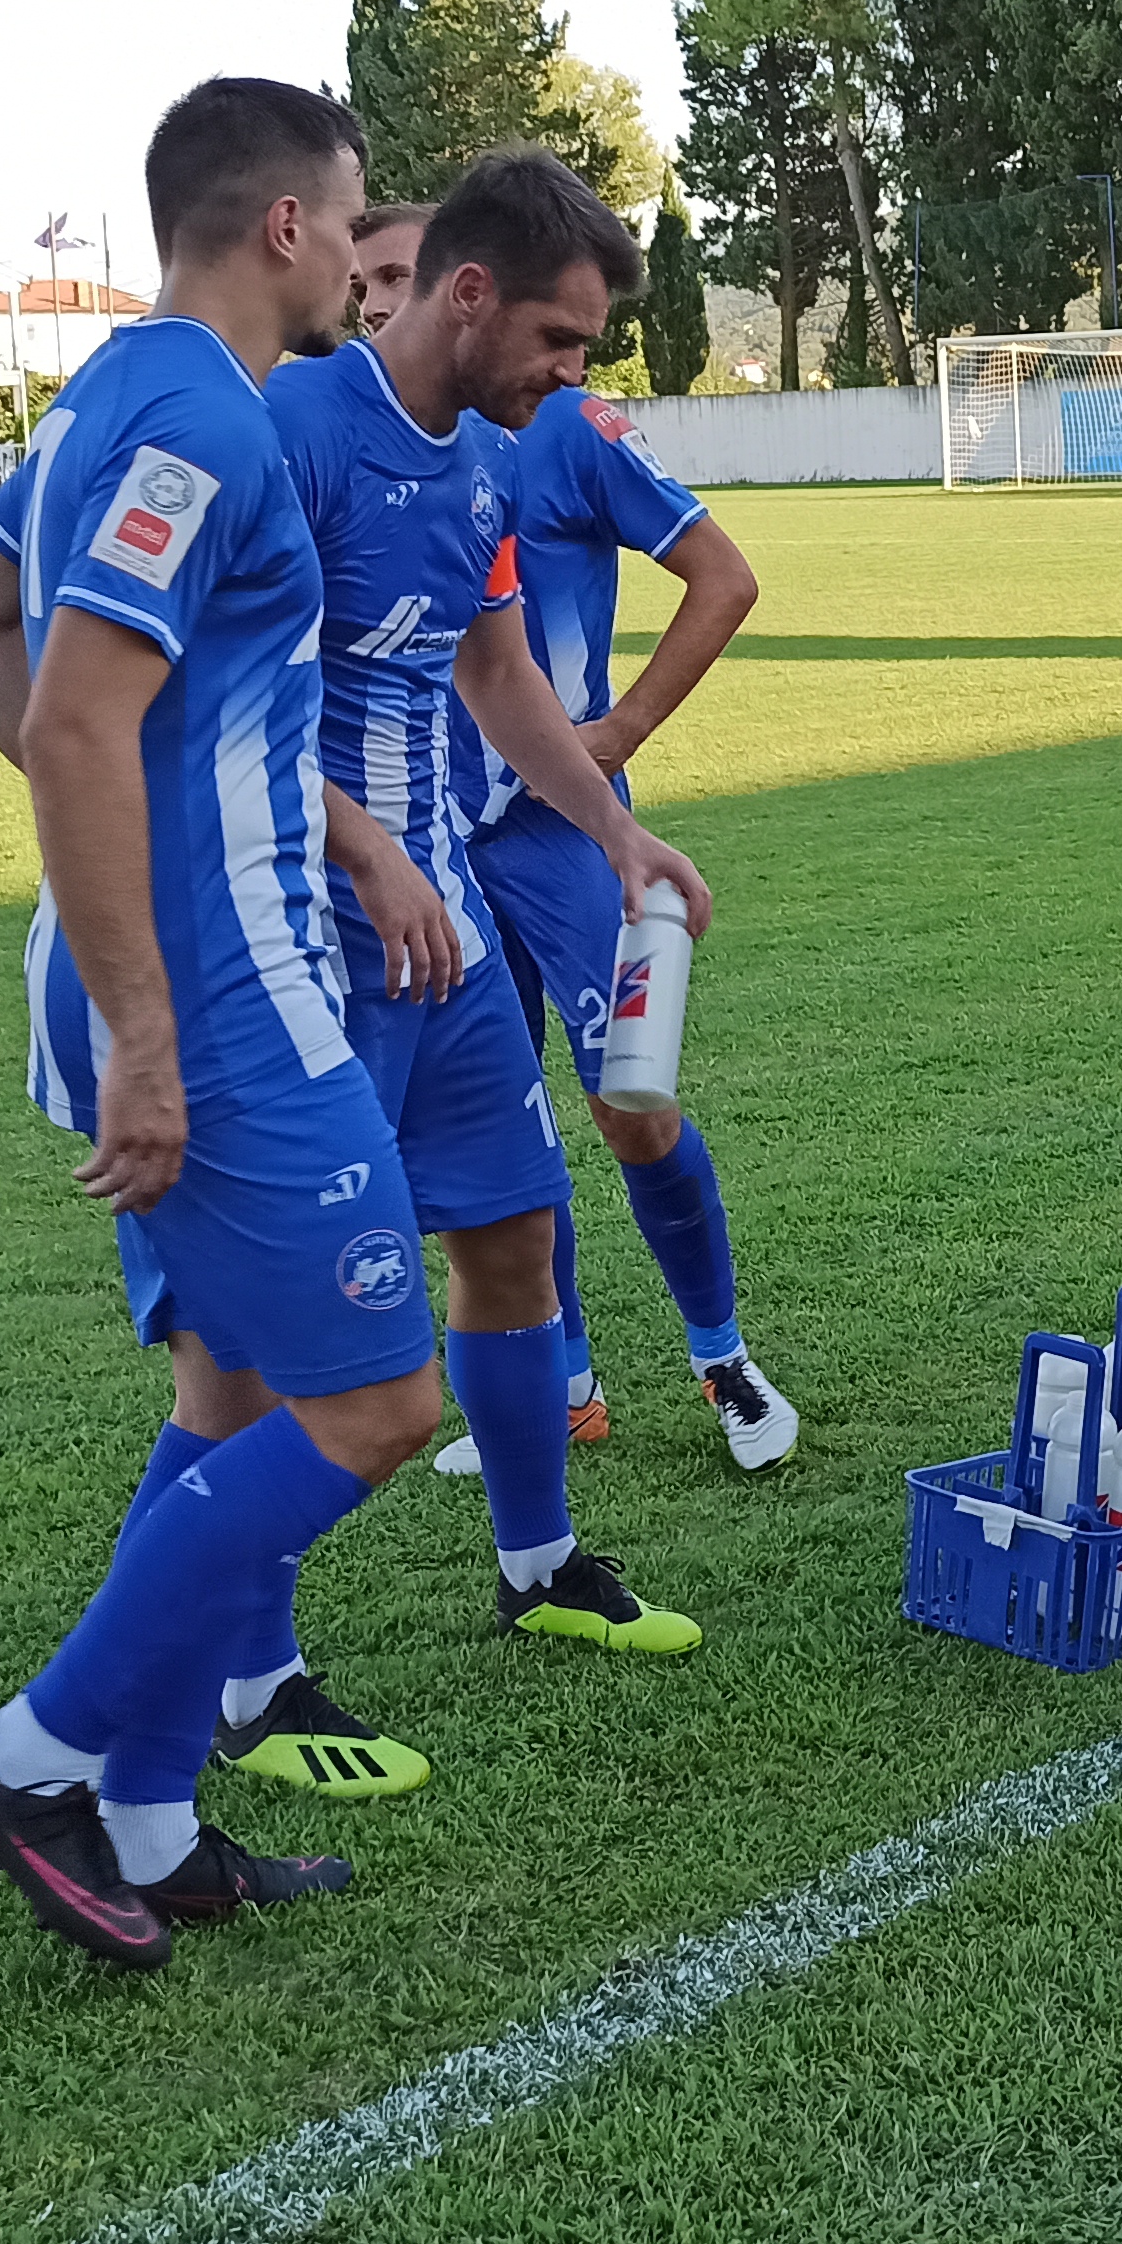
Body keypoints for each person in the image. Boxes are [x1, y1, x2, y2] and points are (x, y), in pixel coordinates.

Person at [0, 77, 462, 1966]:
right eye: (356, 224)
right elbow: (68, 709)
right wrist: (145, 1023)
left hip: (182, 957)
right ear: (289, 227)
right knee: (385, 1397)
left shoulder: (100, 406)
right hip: (215, 995)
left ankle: (144, 1812)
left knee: (225, 1392)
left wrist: (131, 818)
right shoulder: (195, 416)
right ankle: (36, 1752)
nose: (366, 275)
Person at [277, 151, 721, 1651]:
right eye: (561, 340)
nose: (573, 373)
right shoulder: (295, 435)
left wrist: (616, 833)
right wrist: (364, 849)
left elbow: (496, 672)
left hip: (446, 922)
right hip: (315, 934)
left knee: (517, 1238)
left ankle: (541, 1569)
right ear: (470, 295)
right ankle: (245, 1659)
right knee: (288, 1316)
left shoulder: (480, 461)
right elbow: (212, 704)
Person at [367, 198, 796, 1480]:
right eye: (365, 278)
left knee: (632, 1102)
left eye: (400, 273)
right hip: (421, 855)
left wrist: (614, 737)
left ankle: (720, 1356)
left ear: (464, 286)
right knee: (496, 1127)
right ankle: (559, 1384)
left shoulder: (563, 427)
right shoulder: (354, 434)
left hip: (555, 838)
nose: (379, 299)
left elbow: (724, 575)